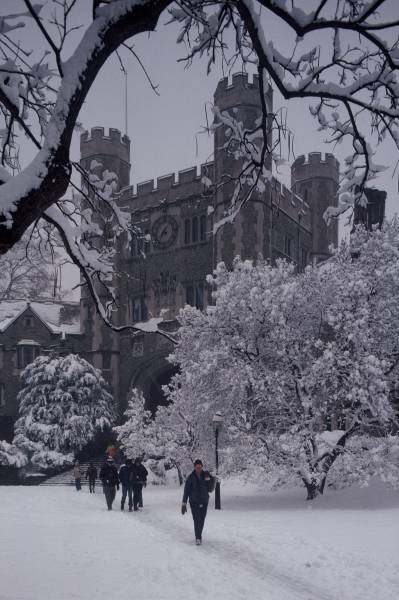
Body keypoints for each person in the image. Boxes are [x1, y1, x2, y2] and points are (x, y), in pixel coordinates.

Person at [181, 459, 215, 545]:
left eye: (200, 467)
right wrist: (184, 504)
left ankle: (199, 534)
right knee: (196, 519)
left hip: (204, 500)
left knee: (202, 519)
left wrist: (211, 479)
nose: (199, 469)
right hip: (194, 501)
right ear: (194, 467)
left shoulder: (206, 475)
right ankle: (198, 537)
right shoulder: (190, 477)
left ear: (202, 467)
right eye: (197, 467)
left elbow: (210, 489)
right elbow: (186, 491)